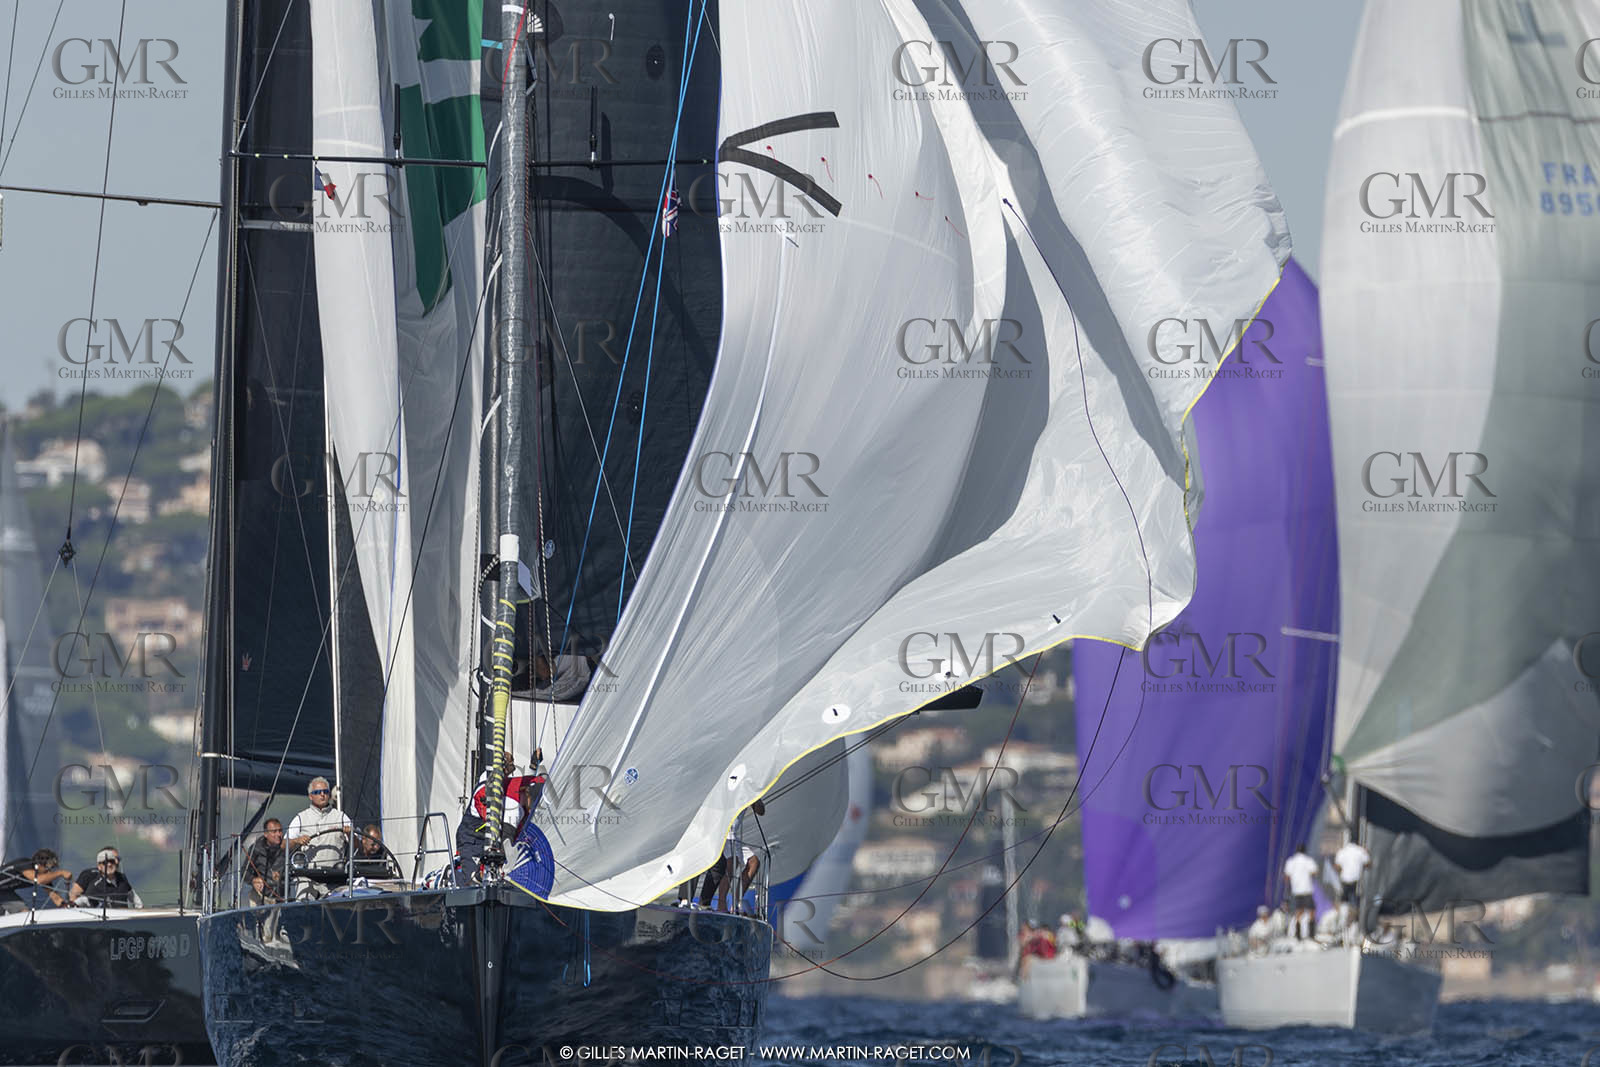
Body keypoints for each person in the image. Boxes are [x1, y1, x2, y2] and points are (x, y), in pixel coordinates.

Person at [455, 750, 546, 884]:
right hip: (473, 838)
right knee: (474, 882)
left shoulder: (524, 792)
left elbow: (530, 782)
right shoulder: (513, 806)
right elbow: (507, 840)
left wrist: (533, 765)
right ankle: (448, 876)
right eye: (534, 804)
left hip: (492, 834)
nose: (533, 809)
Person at [286, 777, 352, 899]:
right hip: (308, 876)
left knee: (340, 904)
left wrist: (349, 834)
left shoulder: (341, 817)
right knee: (303, 903)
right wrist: (296, 840)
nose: (322, 795)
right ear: (310, 796)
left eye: (325, 792)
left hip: (334, 876)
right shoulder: (300, 818)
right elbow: (283, 845)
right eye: (317, 792)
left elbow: (358, 845)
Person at [708, 800, 765, 914]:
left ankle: (735, 904)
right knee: (733, 861)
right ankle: (721, 905)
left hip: (733, 835)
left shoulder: (748, 790)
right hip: (722, 833)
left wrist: (755, 798)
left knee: (754, 862)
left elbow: (761, 811)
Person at [69, 847, 140, 907]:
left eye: (112, 861)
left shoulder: (122, 878)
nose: (109, 865)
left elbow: (134, 897)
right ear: (99, 867)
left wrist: (140, 910)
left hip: (125, 917)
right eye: (105, 862)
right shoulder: (96, 885)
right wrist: (72, 905)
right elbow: (85, 900)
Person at [1333, 837, 1371, 935]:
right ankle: (1354, 927)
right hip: (1356, 881)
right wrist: (1366, 854)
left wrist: (1343, 871)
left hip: (1344, 880)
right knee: (1356, 903)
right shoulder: (1360, 851)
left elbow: (1336, 866)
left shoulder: (1342, 851)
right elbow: (1368, 864)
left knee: (1344, 902)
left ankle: (1342, 925)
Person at [1282, 843, 1319, 941]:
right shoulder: (1308, 860)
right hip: (1307, 890)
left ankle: (1298, 936)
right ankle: (1311, 935)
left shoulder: (1291, 861)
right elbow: (1314, 872)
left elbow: (1286, 876)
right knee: (1311, 912)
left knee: (1298, 912)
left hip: (1296, 891)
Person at [245, 819, 286, 904]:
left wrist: (281, 876)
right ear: (265, 834)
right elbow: (244, 872)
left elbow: (293, 871)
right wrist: (253, 880)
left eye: (280, 831)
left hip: (281, 898)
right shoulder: (256, 849)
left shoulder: (286, 848)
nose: (278, 834)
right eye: (274, 831)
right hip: (260, 896)